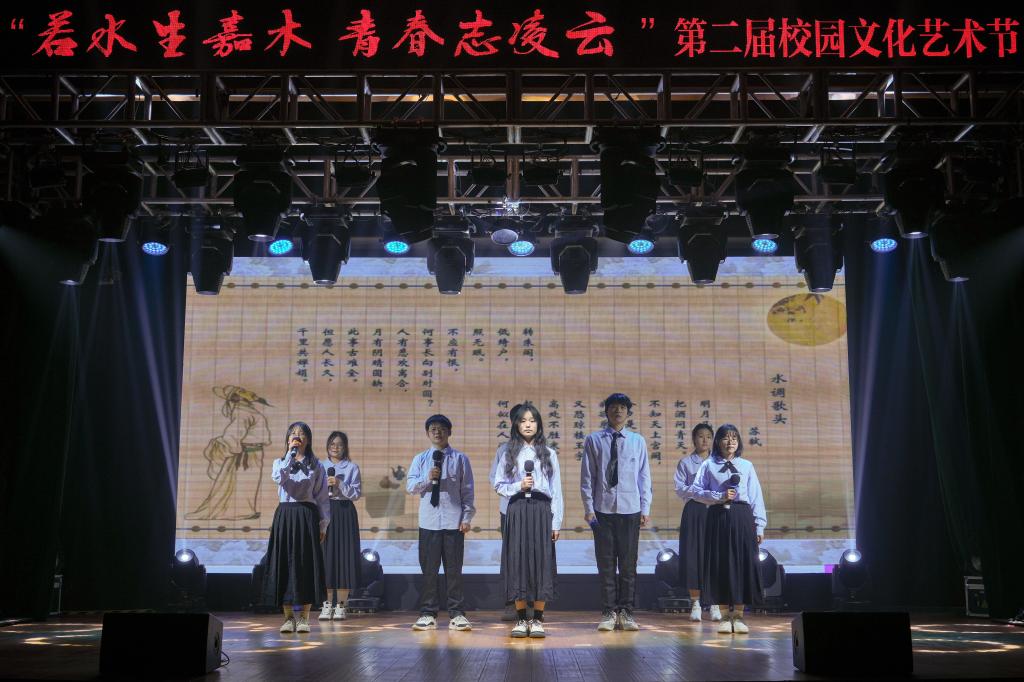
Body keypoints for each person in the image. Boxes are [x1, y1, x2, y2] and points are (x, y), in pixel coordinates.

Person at [580, 393, 653, 632]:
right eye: (613, 407)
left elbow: (644, 476)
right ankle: (609, 612)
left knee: (629, 565)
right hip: (603, 510)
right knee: (606, 564)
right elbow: (588, 477)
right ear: (607, 411)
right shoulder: (594, 440)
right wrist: (589, 508)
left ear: (628, 412)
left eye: (622, 407)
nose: (618, 411)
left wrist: (645, 507)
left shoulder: (637, 441)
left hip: (631, 509)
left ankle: (626, 612)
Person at [493, 403, 563, 638]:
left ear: (539, 424)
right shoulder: (508, 453)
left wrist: (556, 522)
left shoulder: (549, 453)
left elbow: (556, 490)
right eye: (523, 421)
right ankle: (521, 619)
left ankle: (539, 619)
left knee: (542, 562)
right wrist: (518, 486)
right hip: (517, 509)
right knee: (518, 562)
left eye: (532, 420)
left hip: (542, 510)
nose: (528, 425)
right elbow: (498, 485)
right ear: (516, 425)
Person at [690, 423, 767, 635]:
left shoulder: (747, 465)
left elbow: (756, 496)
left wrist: (759, 525)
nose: (730, 441)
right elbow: (695, 491)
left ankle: (739, 616)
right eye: (725, 437)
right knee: (720, 564)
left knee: (743, 564)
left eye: (734, 437)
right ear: (718, 441)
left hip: (742, 517)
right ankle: (724, 616)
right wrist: (718, 496)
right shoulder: (708, 465)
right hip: (718, 516)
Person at [406, 415, 475, 632]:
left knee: (454, 571)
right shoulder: (420, 459)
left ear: (449, 432)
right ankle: (428, 614)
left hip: (453, 522)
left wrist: (466, 518)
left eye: (442, 428)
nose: (438, 432)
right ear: (428, 433)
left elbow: (467, 491)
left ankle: (457, 614)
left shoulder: (460, 459)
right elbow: (411, 487)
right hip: (429, 523)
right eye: (433, 429)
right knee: (429, 571)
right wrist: (428, 478)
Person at [263, 421, 330, 634]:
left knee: (305, 564)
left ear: (307, 440)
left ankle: (304, 618)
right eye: (293, 433)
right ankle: (288, 618)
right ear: (288, 439)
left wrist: (323, 525)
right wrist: (289, 457)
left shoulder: (316, 465)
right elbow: (278, 478)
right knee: (285, 563)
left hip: (306, 515)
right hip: (285, 514)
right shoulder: (279, 463)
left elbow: (322, 497)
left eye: (301, 434)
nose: (297, 436)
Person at [673, 423, 721, 622]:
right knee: (693, 557)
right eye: (700, 436)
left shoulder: (719, 461)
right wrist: (701, 492)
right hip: (694, 511)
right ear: (693, 439)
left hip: (716, 511)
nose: (704, 440)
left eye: (708, 436)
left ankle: (715, 603)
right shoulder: (686, 463)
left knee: (716, 556)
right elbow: (680, 488)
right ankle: (695, 604)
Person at [319, 431, 362, 622]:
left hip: (344, 512)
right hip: (325, 512)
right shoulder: (319, 467)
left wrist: (339, 483)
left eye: (339, 444)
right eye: (332, 444)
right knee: (326, 559)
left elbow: (356, 494)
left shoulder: (352, 467)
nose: (335, 447)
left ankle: (341, 606)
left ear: (345, 448)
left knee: (344, 558)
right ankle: (327, 605)